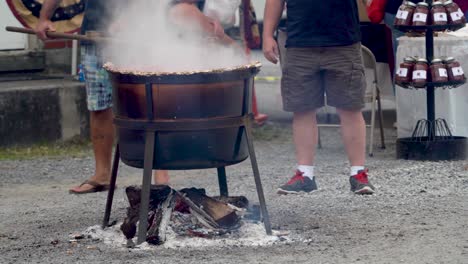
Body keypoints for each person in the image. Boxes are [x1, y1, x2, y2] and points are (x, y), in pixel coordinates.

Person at [35, 0, 170, 194]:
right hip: (94, 35)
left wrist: (129, 18)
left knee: (148, 101)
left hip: (139, 36)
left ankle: (160, 175)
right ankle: (102, 175)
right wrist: (44, 17)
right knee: (98, 104)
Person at [263, 0, 376, 195]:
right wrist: (267, 35)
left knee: (350, 107)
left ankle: (358, 173)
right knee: (302, 109)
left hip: (343, 41)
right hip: (300, 43)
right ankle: (305, 174)